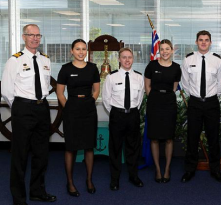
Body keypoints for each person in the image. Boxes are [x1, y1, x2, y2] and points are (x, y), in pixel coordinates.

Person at [1, 24, 57, 205]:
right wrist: (20, 106)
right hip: (23, 109)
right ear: (24, 37)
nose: (35, 38)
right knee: (20, 154)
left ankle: (37, 191)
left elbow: (47, 85)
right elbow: (7, 90)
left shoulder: (45, 60)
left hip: (43, 108)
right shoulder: (15, 60)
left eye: (38, 35)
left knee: (42, 154)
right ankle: (18, 197)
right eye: (31, 35)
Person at [56, 39, 100, 197]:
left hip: (88, 110)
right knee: (71, 147)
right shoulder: (65, 69)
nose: (81, 52)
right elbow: (60, 92)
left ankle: (89, 180)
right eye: (78, 49)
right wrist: (68, 107)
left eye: (83, 49)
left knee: (89, 147)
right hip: (72, 109)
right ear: (71, 51)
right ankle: (70, 182)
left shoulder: (93, 68)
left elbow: (96, 90)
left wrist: (91, 101)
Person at [181, 30, 221, 183]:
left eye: (206, 40)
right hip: (194, 103)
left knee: (213, 138)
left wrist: (210, 95)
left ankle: (216, 170)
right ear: (196, 42)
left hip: (212, 103)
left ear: (210, 42)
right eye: (201, 40)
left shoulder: (217, 60)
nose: (204, 42)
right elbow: (185, 83)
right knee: (192, 138)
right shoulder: (188, 60)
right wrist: (196, 95)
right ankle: (189, 170)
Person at [102, 47, 145, 191]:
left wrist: (131, 111)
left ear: (133, 59)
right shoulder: (111, 77)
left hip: (133, 115)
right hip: (117, 115)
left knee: (133, 148)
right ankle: (115, 179)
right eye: (124, 57)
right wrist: (116, 112)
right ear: (119, 59)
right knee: (115, 148)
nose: (127, 60)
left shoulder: (139, 77)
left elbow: (139, 99)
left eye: (130, 57)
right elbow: (106, 99)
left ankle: (133, 176)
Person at [144, 39, 181, 183]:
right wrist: (154, 98)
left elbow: (174, 87)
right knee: (154, 137)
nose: (165, 51)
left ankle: (167, 169)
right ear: (159, 50)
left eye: (167, 49)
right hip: (154, 103)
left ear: (172, 50)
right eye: (162, 49)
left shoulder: (176, 68)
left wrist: (165, 97)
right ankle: (158, 169)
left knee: (169, 138)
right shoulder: (152, 65)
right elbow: (147, 86)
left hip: (169, 104)